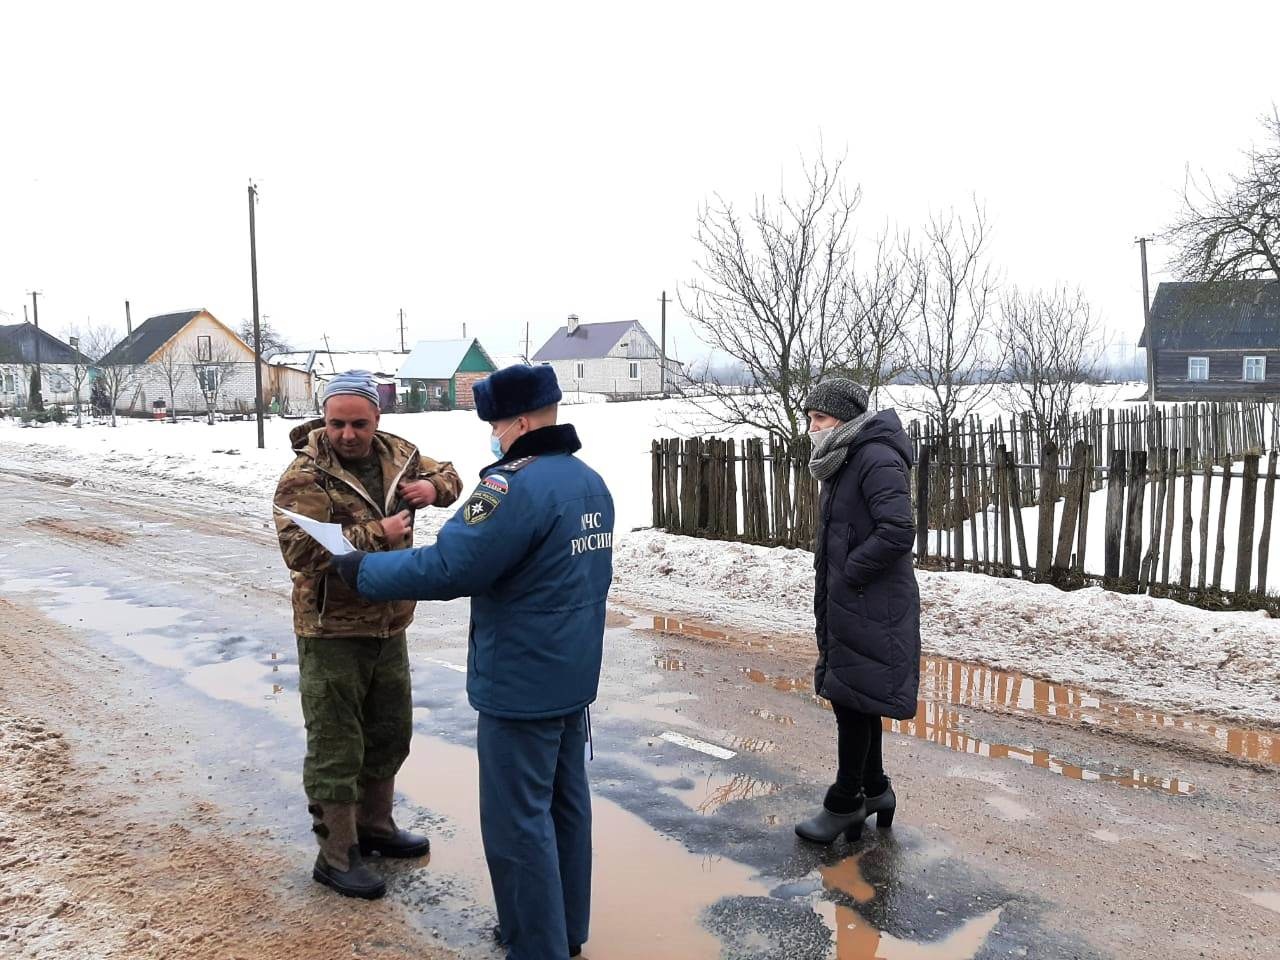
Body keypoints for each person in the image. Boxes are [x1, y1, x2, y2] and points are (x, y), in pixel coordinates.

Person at [331, 364, 613, 960]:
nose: (492, 434)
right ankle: (564, 931)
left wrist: (364, 569)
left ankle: (535, 945)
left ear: (514, 421)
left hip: (519, 681)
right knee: (566, 809)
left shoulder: (511, 488)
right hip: (570, 674)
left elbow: (450, 567)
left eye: (492, 423)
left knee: (518, 823)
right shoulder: (588, 481)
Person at [273, 370, 462, 899]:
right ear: (324, 420)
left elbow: (449, 475)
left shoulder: (398, 454)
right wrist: (380, 533)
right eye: (337, 423)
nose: (348, 434)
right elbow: (300, 552)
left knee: (388, 731)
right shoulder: (304, 477)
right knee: (337, 743)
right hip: (331, 629)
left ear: (377, 419)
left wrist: (433, 488)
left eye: (359, 423)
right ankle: (336, 855)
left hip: (389, 622)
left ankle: (376, 828)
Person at [793, 378, 921, 845]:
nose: (812, 428)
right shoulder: (844, 458)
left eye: (820, 420)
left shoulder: (875, 457)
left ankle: (846, 801)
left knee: (852, 701)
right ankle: (877, 790)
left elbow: (897, 530)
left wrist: (848, 572)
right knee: (856, 695)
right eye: (810, 419)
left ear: (844, 421)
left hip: (872, 601)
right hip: (854, 600)